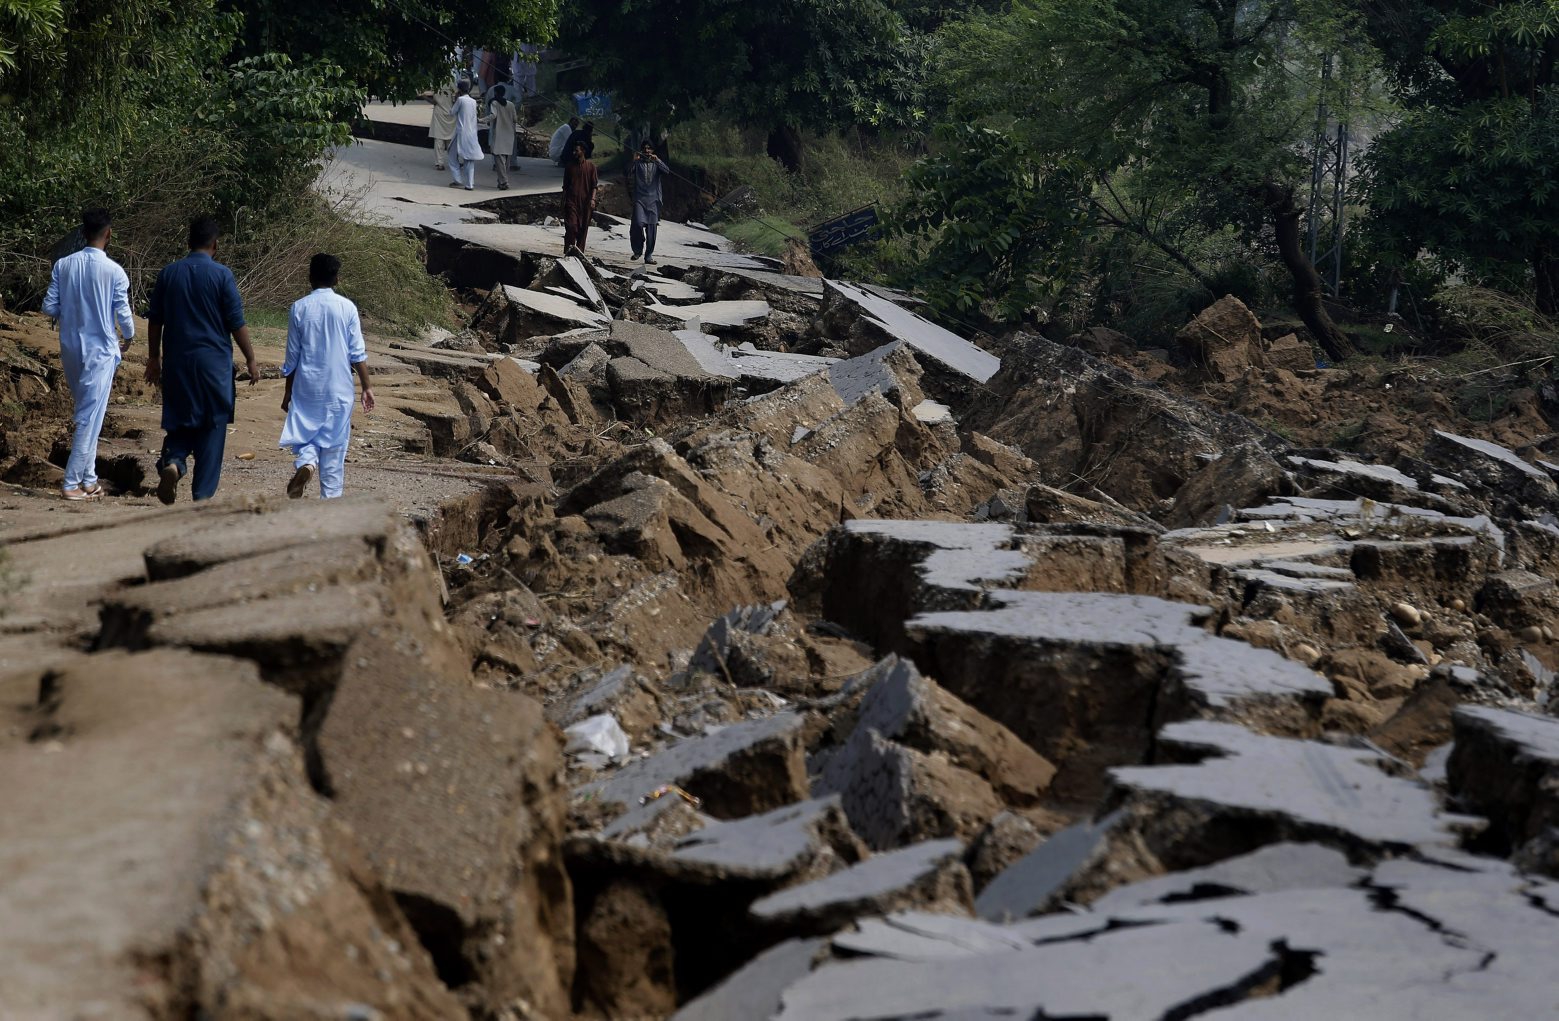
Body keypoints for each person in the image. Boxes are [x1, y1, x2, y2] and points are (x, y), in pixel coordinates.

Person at [145, 215, 258, 504]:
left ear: (188, 242)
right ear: (215, 244)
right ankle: (202, 496)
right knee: (212, 427)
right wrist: (251, 359)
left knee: (180, 422)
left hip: (178, 363)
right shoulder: (222, 276)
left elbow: (155, 320)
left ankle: (174, 463)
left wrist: (154, 358)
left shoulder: (169, 273)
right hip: (214, 366)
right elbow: (236, 323)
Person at [41, 207, 134, 501]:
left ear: (83, 233)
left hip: (70, 349)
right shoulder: (114, 271)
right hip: (101, 351)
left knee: (90, 414)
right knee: (87, 416)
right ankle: (70, 483)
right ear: (108, 234)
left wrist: (72, 309)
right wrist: (129, 339)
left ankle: (90, 478)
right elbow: (124, 316)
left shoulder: (63, 266)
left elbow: (48, 307)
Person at [279, 253, 374, 500]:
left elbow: (292, 357)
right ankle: (329, 507)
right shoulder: (347, 308)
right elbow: (357, 353)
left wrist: (288, 391)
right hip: (338, 388)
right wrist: (366, 387)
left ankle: (308, 463)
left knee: (306, 433)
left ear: (310, 277)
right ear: (337, 279)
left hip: (307, 386)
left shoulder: (298, 308)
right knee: (333, 449)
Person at [628, 140, 670, 265]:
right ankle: (637, 250)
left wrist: (657, 160)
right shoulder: (638, 163)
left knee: (652, 229)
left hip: (654, 200)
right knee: (638, 224)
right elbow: (627, 172)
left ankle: (649, 256)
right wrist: (634, 160)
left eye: (649, 148)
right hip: (639, 199)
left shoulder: (656, 163)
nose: (647, 151)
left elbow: (667, 171)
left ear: (653, 150)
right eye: (645, 148)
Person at [562, 141, 599, 257]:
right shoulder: (569, 167)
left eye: (576, 150)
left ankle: (579, 254)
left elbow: (594, 186)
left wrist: (593, 200)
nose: (574, 153)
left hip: (585, 203)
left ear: (583, 151)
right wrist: (562, 202)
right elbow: (565, 187)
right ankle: (569, 251)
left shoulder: (591, 167)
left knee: (583, 229)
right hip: (571, 201)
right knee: (572, 226)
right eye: (573, 151)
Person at [447, 80, 483, 191]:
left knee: (452, 155)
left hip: (461, 132)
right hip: (471, 133)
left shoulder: (461, 100)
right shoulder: (473, 101)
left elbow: (452, 112)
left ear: (459, 89)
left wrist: (454, 99)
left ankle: (458, 179)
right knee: (469, 159)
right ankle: (469, 184)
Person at [482, 89, 519, 190]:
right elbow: (515, 119)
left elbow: (493, 115)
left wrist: (481, 120)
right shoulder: (511, 105)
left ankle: (504, 181)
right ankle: (501, 181)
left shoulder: (494, 103)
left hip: (499, 135)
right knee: (506, 161)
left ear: (495, 93)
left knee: (499, 160)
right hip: (510, 135)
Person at [428, 84, 455, 171]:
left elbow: (434, 102)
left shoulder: (434, 83)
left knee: (439, 140)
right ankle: (454, 161)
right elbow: (456, 96)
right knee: (451, 140)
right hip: (450, 114)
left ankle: (440, 163)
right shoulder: (451, 82)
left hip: (439, 114)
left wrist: (424, 97)